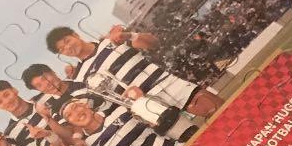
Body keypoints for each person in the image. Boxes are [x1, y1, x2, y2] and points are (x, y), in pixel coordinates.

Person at [45, 25, 221, 117]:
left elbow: (153, 43)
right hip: (147, 109)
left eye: (67, 41)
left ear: (75, 35)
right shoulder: (80, 79)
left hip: (167, 84)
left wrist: (130, 35)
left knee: (218, 110)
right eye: (62, 49)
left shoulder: (111, 41)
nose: (68, 48)